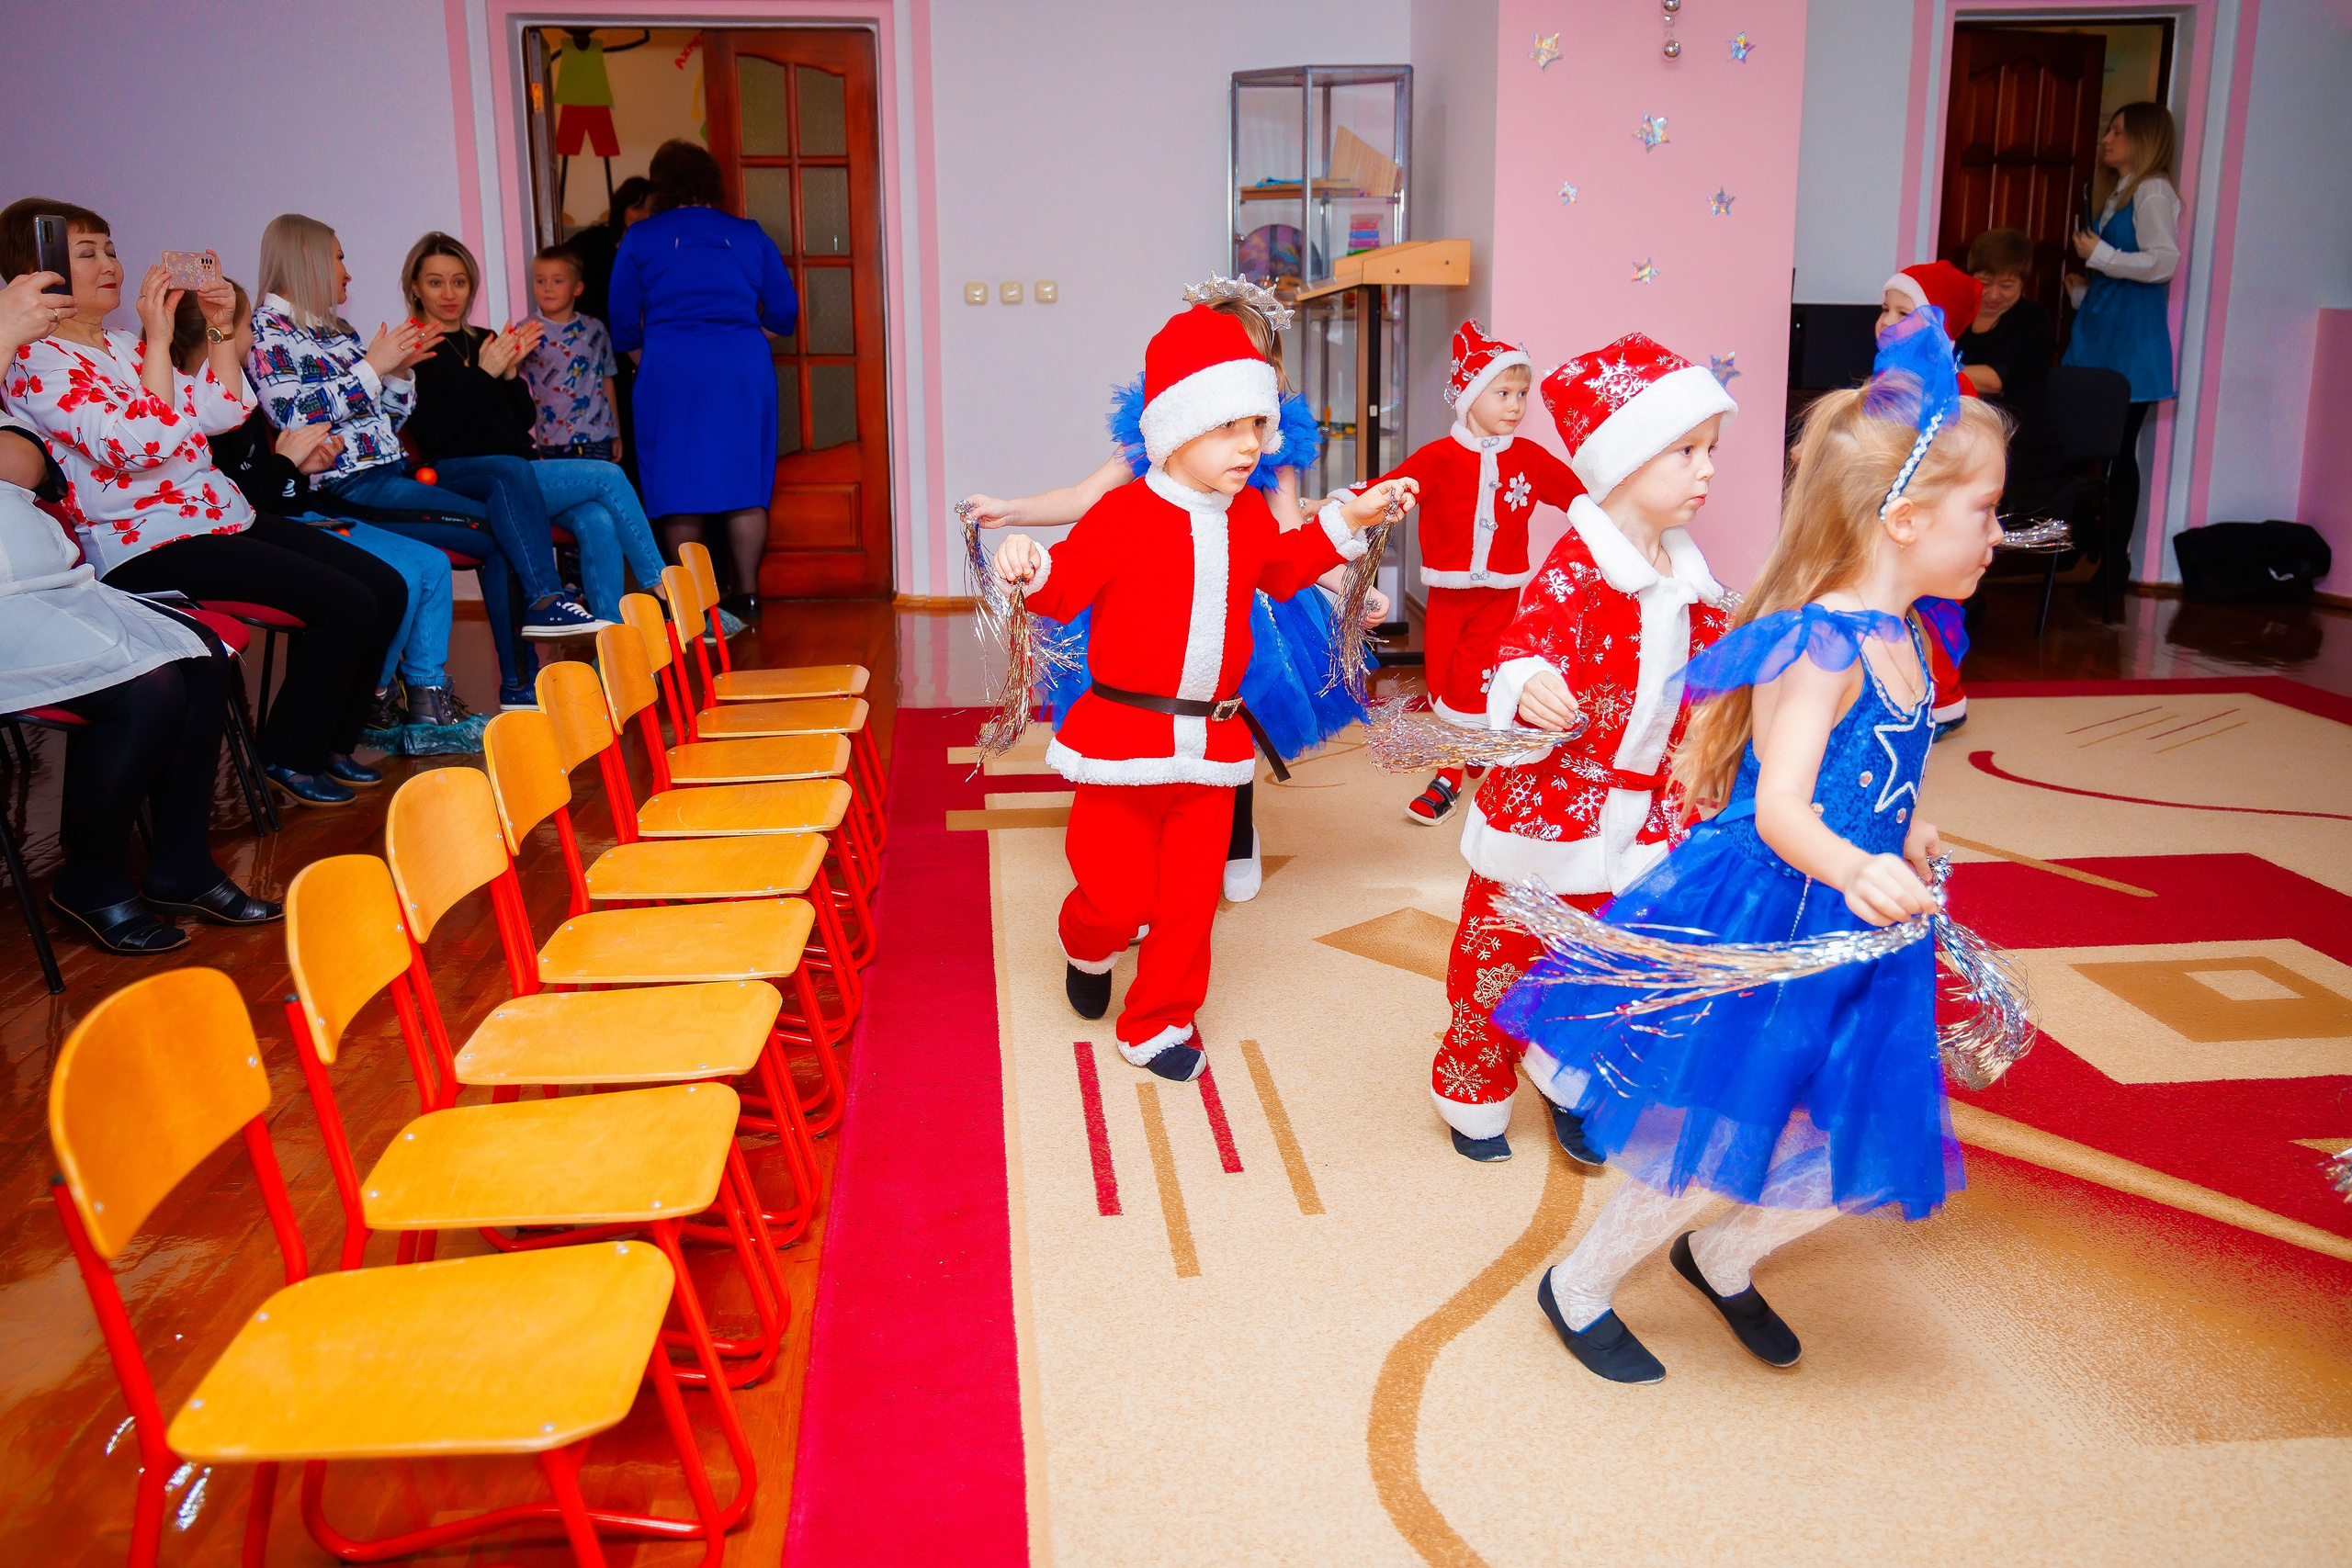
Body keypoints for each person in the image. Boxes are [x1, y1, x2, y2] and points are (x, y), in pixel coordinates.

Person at [1503, 308, 2005, 1383]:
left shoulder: (1907, 633)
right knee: (1729, 1118)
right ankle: (1578, 1281)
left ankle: (1723, 1255)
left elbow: (1872, 772)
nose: (1998, 534)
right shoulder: (1822, 638)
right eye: (1987, 511)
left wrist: (1901, 825)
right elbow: (1781, 808)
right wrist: (1855, 861)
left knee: (1842, 1134)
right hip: (1782, 911)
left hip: (1863, 923)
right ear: (1907, 519)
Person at [988, 305, 1411, 1082]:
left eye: (1257, 424)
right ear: (1175, 430)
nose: (1251, 443)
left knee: (1186, 903)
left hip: (1212, 747)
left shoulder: (1247, 512)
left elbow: (1284, 569)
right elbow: (1060, 587)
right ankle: (1085, 937)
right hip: (1123, 740)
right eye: (1228, 427)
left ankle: (1159, 1022)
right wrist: (1026, 557)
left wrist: (1350, 517)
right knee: (1118, 899)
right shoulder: (1125, 511)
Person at [959, 276, 1385, 902]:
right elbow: (1084, 498)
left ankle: (1236, 831)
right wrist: (1011, 509)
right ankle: (1136, 844)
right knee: (1143, 724)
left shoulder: (1270, 444)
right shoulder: (1162, 433)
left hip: (1246, 602)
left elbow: (1289, 540)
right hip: (1156, 599)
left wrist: (1348, 586)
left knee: (1231, 715)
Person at [1428, 333, 1737, 1160]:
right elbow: (1526, 644)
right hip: (1555, 807)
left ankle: (1570, 1074)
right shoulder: (1576, 568)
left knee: (1615, 968)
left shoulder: (1695, 583)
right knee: (1499, 954)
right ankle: (1473, 1084)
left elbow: (1715, 678)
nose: (1708, 469)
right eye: (1686, 451)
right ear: (1627, 460)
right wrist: (1527, 682)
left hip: (1646, 818)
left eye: (1711, 450)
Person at [0, 198, 405, 809]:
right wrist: (161, 342)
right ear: (38, 270)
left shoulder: (121, 345)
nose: (110, 262)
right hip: (145, 544)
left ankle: (325, 742)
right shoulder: (35, 363)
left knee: (385, 586)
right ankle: (290, 752)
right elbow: (138, 442)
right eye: (86, 253)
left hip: (220, 517)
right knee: (346, 603)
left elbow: (220, 410)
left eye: (110, 247)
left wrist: (218, 331)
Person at [0, 270, 278, 953]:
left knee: (205, 656)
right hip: (25, 595)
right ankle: (90, 879)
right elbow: (133, 445)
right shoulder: (29, 360)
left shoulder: (106, 350)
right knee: (149, 685)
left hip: (55, 580)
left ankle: (181, 865)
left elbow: (26, 464)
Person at [245, 214, 607, 714]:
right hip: (345, 487)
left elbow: (388, 423)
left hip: (387, 473)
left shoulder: (335, 329)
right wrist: (374, 368)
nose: (347, 271)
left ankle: (518, 684)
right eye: (339, 257)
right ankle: (502, 650)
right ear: (307, 259)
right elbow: (293, 416)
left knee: (509, 507)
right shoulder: (268, 332)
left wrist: (397, 374)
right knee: (507, 519)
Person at [175, 286, 486, 758]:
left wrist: (300, 468)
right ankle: (356, 716)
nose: (251, 341)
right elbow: (245, 498)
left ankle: (414, 703)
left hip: (293, 511)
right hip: (257, 529)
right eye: (243, 329)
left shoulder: (236, 396)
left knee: (426, 565)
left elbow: (271, 489)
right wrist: (288, 466)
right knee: (384, 583)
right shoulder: (207, 403)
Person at [399, 231, 674, 666]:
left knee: (599, 519)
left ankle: (613, 657)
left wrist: (506, 376)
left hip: (521, 468)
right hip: (468, 477)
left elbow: (521, 421)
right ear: (415, 287)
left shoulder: (487, 339)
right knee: (608, 475)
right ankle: (660, 585)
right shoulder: (412, 349)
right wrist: (484, 375)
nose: (449, 293)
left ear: (471, 285)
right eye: (435, 282)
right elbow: (438, 435)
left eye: (459, 281)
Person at [1350, 321, 1584, 826]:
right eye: (1503, 392)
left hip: (1500, 594)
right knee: (1442, 676)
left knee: (1476, 678)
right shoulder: (1439, 457)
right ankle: (1470, 748)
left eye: (1522, 394)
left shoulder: (1528, 458)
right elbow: (1389, 486)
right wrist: (1343, 504)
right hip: (1447, 592)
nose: (1517, 405)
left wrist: (1615, 516)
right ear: (1471, 397)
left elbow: (1577, 494)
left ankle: (1449, 772)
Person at [610, 138, 799, 614]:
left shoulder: (641, 237)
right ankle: (747, 593)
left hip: (670, 367)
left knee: (678, 488)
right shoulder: (750, 234)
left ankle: (690, 602)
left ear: (661, 182)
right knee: (745, 484)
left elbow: (622, 321)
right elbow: (783, 314)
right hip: (740, 366)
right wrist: (743, 339)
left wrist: (647, 358)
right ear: (711, 181)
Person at [2063, 102, 2181, 620]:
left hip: (2129, 344)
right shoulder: (2122, 190)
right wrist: (2083, 292)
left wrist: (2100, 256)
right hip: (2106, 334)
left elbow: (2162, 262)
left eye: (2117, 132)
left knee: (2116, 453)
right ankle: (2099, 558)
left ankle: (2113, 566)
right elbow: (2123, 275)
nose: (2106, 140)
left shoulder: (2153, 190)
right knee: (2095, 450)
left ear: (2144, 139)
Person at [1877, 260, 1984, 734]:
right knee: (1893, 604)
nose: (1886, 321)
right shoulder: (1890, 375)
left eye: (1903, 312)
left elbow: (1959, 457)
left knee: (1931, 608)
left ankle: (1944, 699)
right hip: (1894, 513)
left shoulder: (1953, 386)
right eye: (1884, 309)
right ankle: (1897, 689)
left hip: (1933, 517)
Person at [523, 243, 621, 462]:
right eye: (540, 281)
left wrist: (616, 433)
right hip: (551, 439)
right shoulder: (527, 330)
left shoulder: (595, 328)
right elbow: (508, 377)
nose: (548, 288)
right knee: (563, 495)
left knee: (596, 492)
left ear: (577, 288)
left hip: (597, 436)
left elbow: (607, 380)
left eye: (557, 281)